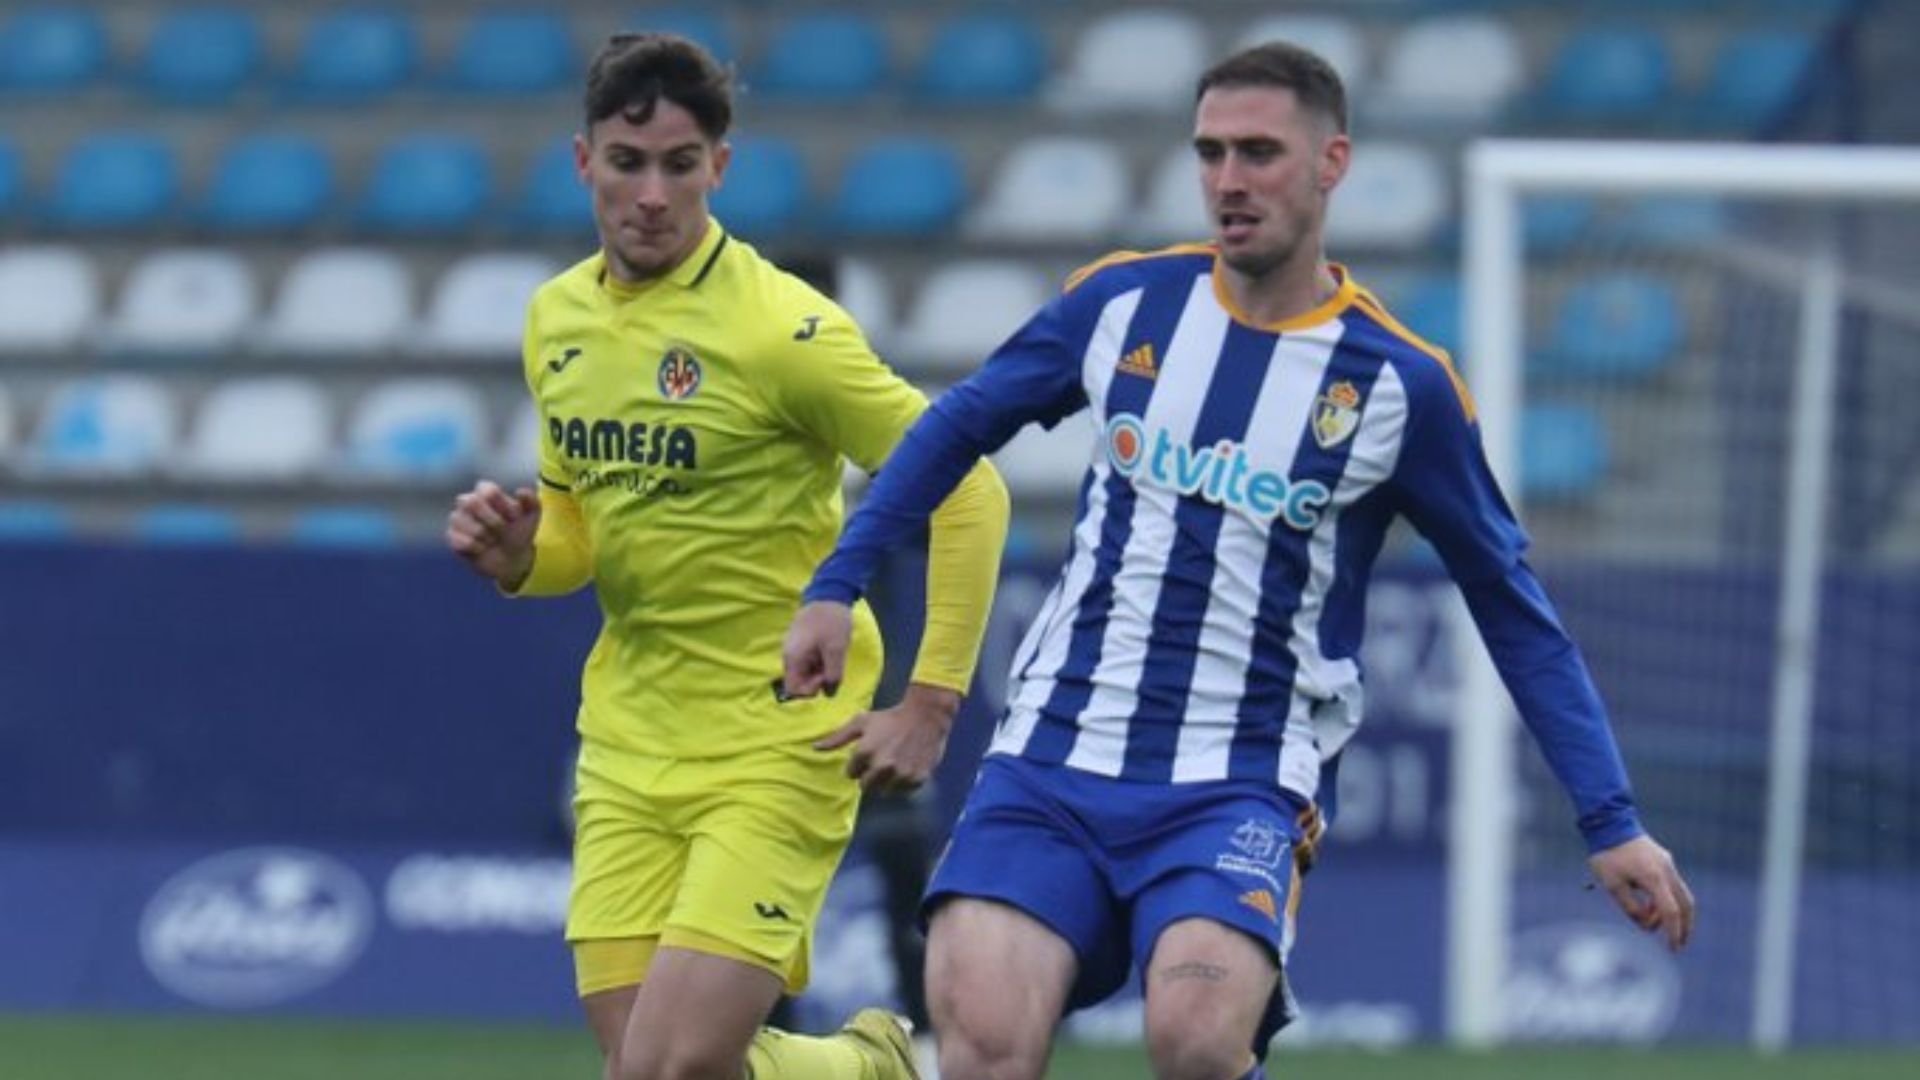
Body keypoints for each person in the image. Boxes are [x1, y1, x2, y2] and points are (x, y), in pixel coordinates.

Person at [783, 40, 1697, 1080]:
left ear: (1331, 162)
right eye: (1210, 153)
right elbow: (952, 430)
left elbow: (1512, 609)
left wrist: (1610, 818)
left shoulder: (1401, 387)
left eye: (1259, 152)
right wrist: (835, 582)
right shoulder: (1121, 307)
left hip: (1239, 780)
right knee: (980, 1038)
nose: (1229, 180)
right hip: (1054, 756)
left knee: (1195, 1041)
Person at [446, 33, 1008, 1080]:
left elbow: (968, 483)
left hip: (778, 726)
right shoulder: (556, 320)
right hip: (628, 737)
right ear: (583, 164)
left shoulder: (782, 330)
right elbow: (581, 528)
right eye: (627, 162)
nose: (652, 194)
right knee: (652, 1070)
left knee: (667, 1073)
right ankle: (868, 1067)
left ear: (722, 168)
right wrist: (527, 554)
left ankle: (882, 1067)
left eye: (680, 164)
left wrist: (932, 701)